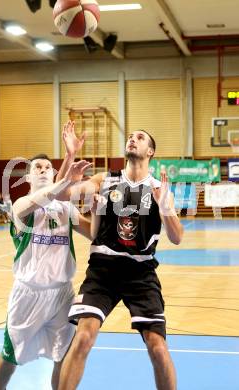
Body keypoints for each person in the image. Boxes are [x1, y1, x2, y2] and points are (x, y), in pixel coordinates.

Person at [58, 129, 184, 390]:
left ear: (150, 151)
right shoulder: (105, 180)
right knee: (82, 338)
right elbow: (61, 195)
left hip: (141, 273)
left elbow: (177, 237)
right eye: (130, 136)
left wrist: (165, 209)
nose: (132, 138)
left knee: (158, 348)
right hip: (102, 271)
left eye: (140, 137)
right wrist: (70, 158)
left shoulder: (160, 190)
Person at [0, 121, 91, 390]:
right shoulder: (21, 206)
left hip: (62, 294)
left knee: (63, 354)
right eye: (38, 167)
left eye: (48, 167)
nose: (44, 170)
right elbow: (44, 197)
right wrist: (68, 175)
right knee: (11, 356)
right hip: (28, 294)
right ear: (28, 178)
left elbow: (96, 234)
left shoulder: (66, 209)